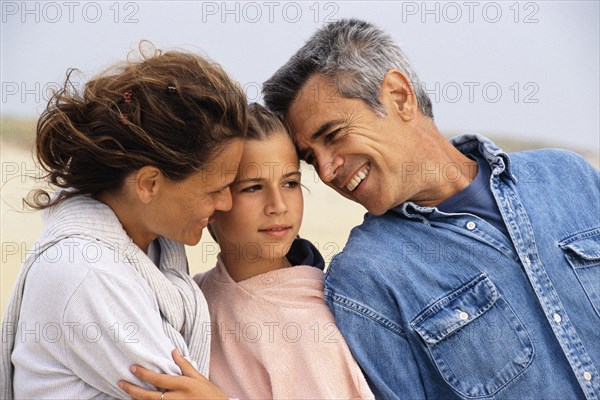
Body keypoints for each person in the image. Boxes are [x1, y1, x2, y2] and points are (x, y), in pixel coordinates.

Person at [261, 19, 600, 399]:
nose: (325, 170)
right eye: (311, 158)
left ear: (399, 96)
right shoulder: (367, 279)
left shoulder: (569, 177)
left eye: (333, 135)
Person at [1, 46, 247, 398]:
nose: (226, 203)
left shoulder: (153, 253)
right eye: (214, 190)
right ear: (149, 184)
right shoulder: (86, 272)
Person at [119, 103, 373, 399]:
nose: (278, 205)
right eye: (253, 187)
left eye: (290, 183)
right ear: (214, 196)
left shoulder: (311, 319)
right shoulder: (190, 297)